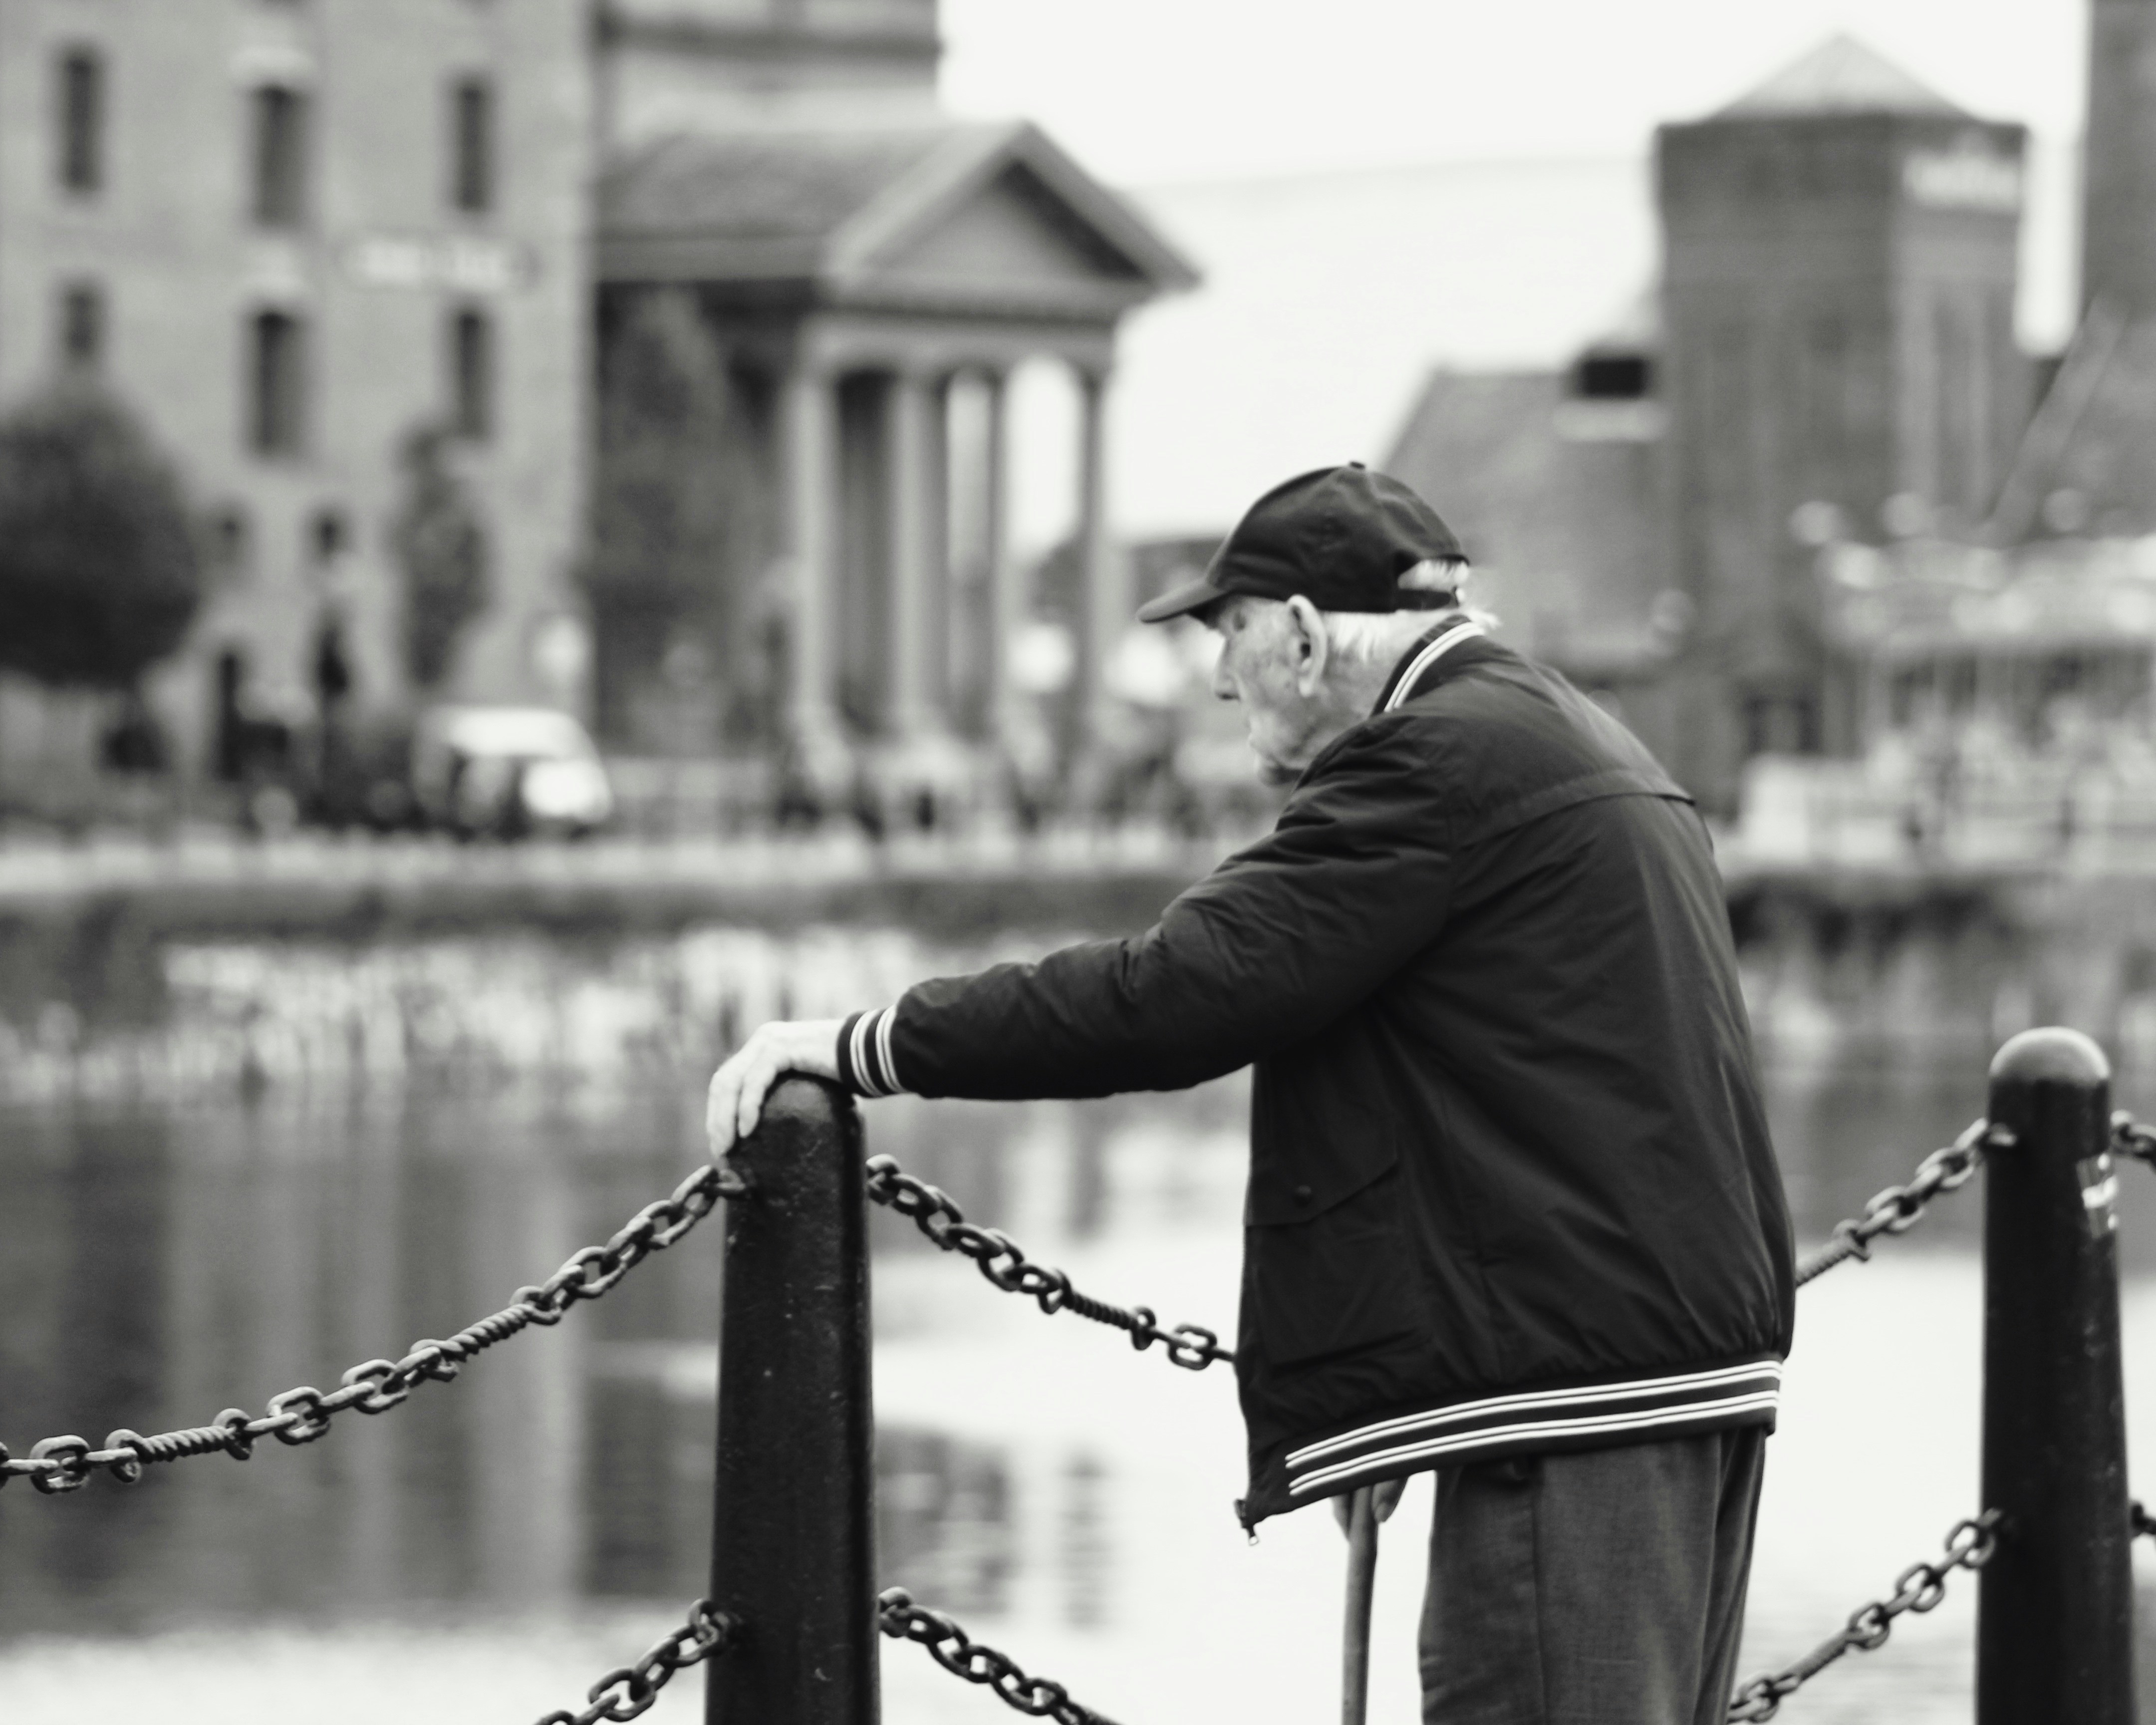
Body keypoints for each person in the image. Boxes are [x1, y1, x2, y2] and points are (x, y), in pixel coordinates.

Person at [704, 464, 1793, 1724]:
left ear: (1303, 632)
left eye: (1227, 637)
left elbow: (1170, 997)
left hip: (1579, 1407)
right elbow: (1531, 1094)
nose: (1220, 680)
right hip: (1670, 1371)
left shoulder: (1429, 765)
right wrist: (1406, 1402)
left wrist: (862, 1044)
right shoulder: (1569, 733)